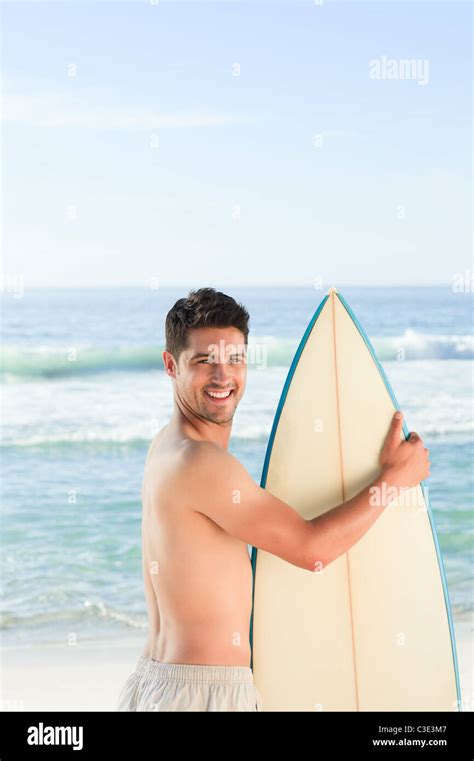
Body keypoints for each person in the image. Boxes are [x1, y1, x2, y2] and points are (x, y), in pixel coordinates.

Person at [116, 287, 430, 711]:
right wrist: (393, 480)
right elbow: (311, 549)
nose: (223, 377)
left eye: (235, 359)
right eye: (204, 361)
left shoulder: (166, 447)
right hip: (203, 696)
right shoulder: (202, 463)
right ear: (171, 365)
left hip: (159, 684)